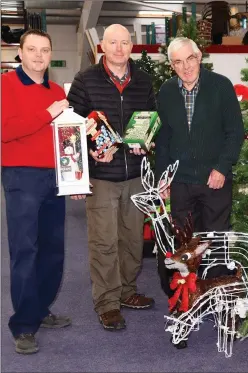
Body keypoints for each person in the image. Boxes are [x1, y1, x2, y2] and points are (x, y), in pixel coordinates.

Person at [68, 24, 156, 331]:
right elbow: (71, 128)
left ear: (132, 46)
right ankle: (107, 302)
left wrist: (146, 143)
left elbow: (150, 119)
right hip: (102, 176)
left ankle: (127, 291)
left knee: (132, 239)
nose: (119, 48)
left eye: (125, 43)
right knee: (103, 241)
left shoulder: (143, 81)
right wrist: (88, 157)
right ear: (102, 46)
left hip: (134, 176)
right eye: (113, 42)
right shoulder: (85, 80)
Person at [155, 37, 244, 292]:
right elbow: (163, 139)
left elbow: (235, 132)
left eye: (190, 59)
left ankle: (215, 295)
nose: (186, 67)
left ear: (199, 57)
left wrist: (222, 167)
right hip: (181, 182)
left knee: (215, 242)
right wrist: (163, 178)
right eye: (178, 62)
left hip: (214, 180)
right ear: (172, 66)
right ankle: (188, 297)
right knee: (184, 245)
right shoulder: (167, 91)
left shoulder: (220, 86)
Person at [1, 29, 71, 355]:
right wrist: (48, 113)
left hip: (56, 177)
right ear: (20, 52)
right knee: (25, 251)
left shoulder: (57, 90)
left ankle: (40, 309)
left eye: (45, 50)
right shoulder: (6, 85)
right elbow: (5, 130)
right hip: (22, 178)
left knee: (53, 251)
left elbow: (63, 138)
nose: (40, 56)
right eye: (32, 49)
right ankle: (24, 324)